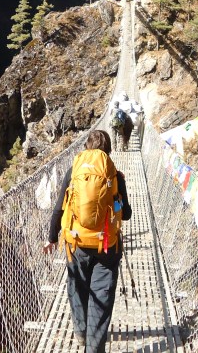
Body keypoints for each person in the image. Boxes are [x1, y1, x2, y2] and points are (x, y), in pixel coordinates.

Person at [43, 130, 132, 352]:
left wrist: (52, 237)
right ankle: (93, 347)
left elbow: (60, 207)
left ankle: (81, 333)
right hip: (106, 245)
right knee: (102, 294)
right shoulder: (114, 175)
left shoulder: (74, 171)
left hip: (76, 242)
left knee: (77, 286)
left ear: (86, 148)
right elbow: (127, 214)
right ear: (109, 151)